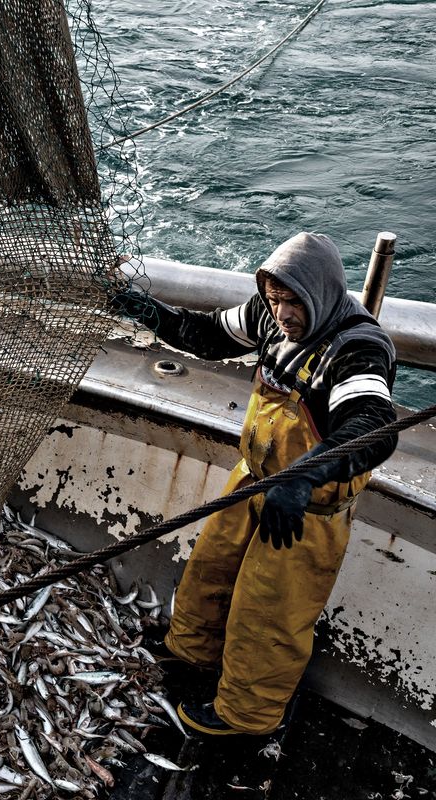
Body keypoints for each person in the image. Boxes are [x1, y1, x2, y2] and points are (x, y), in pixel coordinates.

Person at [112, 232, 397, 736]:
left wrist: (304, 477)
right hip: (256, 481)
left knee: (268, 612)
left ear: (323, 293)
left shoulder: (358, 348)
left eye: (294, 303)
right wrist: (145, 310)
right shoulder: (268, 314)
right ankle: (191, 653)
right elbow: (204, 334)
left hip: (306, 508)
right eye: (275, 299)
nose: (283, 314)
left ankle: (246, 717)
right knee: (210, 570)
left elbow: (371, 427)